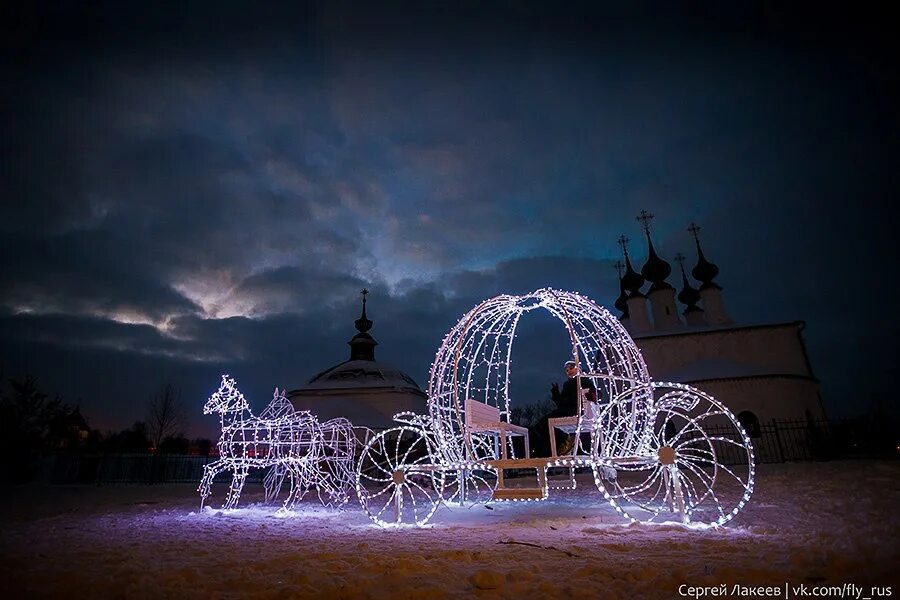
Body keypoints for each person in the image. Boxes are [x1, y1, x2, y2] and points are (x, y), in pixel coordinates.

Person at [548, 360, 597, 455]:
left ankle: (571, 446)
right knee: (551, 418)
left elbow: (595, 395)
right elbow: (561, 403)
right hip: (570, 410)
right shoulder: (567, 384)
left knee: (553, 417)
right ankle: (564, 445)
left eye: (571, 368)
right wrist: (555, 393)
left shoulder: (585, 381)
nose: (569, 371)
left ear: (578, 368)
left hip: (581, 411)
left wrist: (590, 396)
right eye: (567, 370)